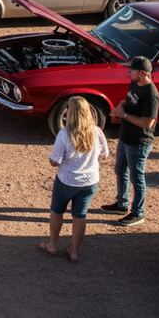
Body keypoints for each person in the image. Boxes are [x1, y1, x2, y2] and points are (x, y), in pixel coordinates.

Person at [41, 97, 109, 261]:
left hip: (67, 179)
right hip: (90, 180)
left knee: (57, 211)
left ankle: (53, 244)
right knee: (80, 215)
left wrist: (53, 160)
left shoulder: (64, 134)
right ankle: (74, 250)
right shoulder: (97, 131)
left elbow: (55, 161)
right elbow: (105, 155)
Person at [101, 56, 159, 226]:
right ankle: (122, 204)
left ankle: (138, 213)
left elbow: (148, 123)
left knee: (137, 177)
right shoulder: (135, 83)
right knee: (120, 170)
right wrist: (120, 107)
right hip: (125, 137)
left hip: (139, 142)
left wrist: (124, 115)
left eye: (132, 70)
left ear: (142, 73)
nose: (129, 72)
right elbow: (128, 100)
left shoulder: (151, 95)